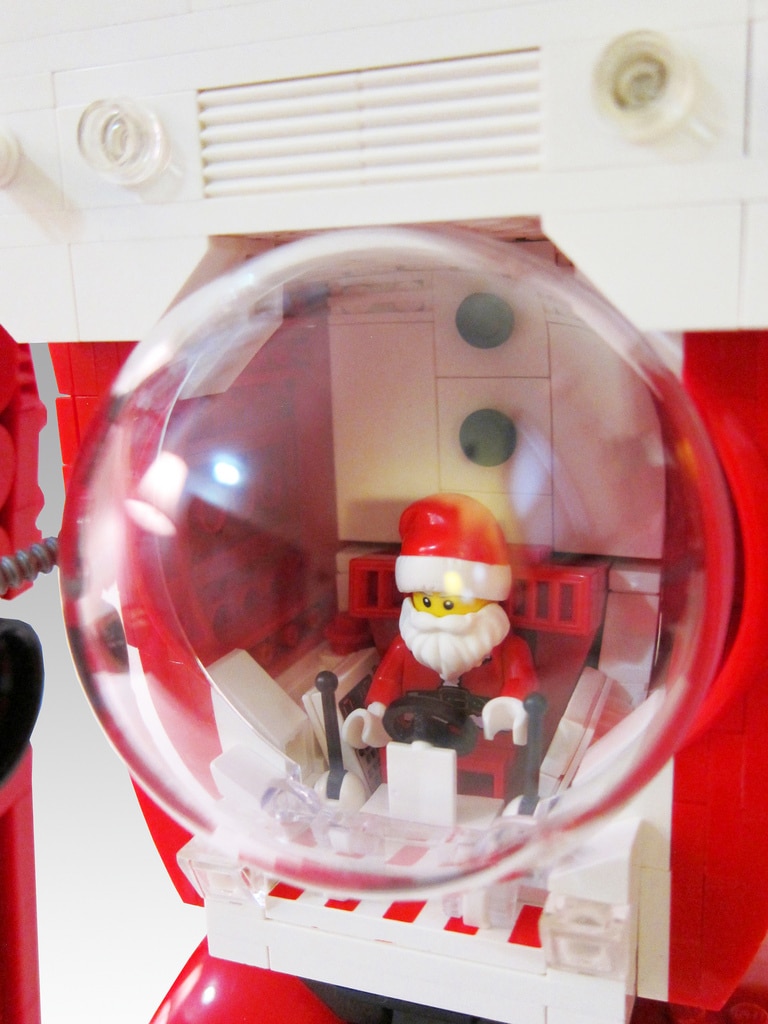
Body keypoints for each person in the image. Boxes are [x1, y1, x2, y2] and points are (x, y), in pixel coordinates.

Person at [342, 493, 536, 767]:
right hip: (415, 744)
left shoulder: (508, 649)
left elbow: (521, 682)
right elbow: (386, 682)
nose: (437, 618)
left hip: (486, 746)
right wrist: (376, 713)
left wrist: (510, 706)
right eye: (426, 602)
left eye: (449, 604)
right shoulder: (407, 646)